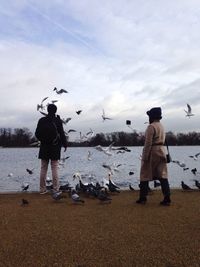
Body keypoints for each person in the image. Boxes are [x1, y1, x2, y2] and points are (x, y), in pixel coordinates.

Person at [136, 107, 171, 206]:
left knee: (144, 174)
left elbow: (148, 143)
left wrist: (145, 157)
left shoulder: (151, 127)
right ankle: (167, 198)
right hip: (162, 150)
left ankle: (143, 198)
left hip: (153, 152)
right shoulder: (162, 126)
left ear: (151, 116)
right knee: (163, 175)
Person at [35, 104, 67, 194]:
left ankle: (42, 189)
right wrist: (65, 144)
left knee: (43, 168)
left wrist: (43, 140)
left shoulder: (41, 120)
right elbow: (61, 133)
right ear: (55, 111)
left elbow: (37, 134)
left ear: (48, 110)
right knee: (55, 168)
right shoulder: (57, 121)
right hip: (55, 147)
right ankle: (56, 189)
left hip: (44, 147)